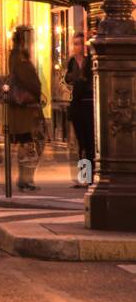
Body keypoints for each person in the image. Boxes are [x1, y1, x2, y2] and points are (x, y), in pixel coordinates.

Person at [6, 26, 44, 191]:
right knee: (32, 144)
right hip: (26, 109)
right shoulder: (20, 58)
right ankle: (27, 179)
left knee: (26, 144)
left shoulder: (15, 57)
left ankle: (24, 178)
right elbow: (30, 81)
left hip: (21, 109)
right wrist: (37, 90)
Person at [63, 31, 95, 188]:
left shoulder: (90, 60)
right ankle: (84, 177)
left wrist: (79, 81)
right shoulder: (72, 62)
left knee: (90, 143)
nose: (78, 47)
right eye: (75, 44)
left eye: (81, 44)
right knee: (80, 143)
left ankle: (90, 178)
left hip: (89, 105)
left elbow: (87, 81)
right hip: (77, 105)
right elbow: (68, 80)